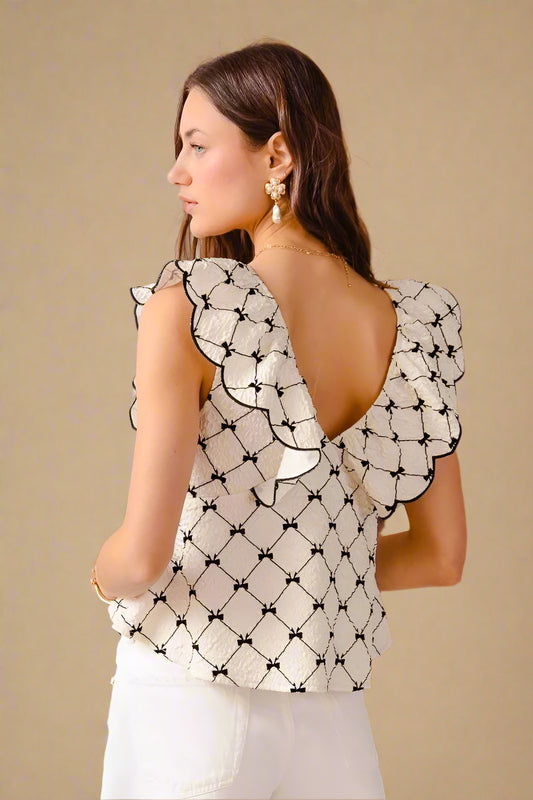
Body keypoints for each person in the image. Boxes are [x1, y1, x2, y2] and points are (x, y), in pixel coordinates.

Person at [90, 40, 467, 800]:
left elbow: (142, 556)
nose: (176, 172)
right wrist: (303, 572)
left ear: (278, 156)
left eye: (197, 145)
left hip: (190, 701)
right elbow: (441, 555)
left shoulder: (190, 309)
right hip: (332, 724)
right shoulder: (411, 324)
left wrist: (102, 576)